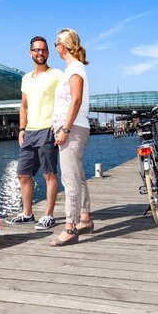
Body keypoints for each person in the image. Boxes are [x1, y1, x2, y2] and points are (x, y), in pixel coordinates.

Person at [5, 36, 64, 230]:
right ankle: (27, 214)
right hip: (29, 132)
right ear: (30, 53)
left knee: (49, 174)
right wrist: (21, 128)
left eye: (44, 50)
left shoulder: (56, 74)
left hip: (48, 129)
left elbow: (67, 99)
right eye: (36, 50)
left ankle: (48, 215)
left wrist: (60, 123)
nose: (40, 53)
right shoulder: (25, 78)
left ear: (48, 53)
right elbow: (24, 106)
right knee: (22, 174)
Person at [49, 28, 92, 247]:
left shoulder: (74, 68)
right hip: (74, 126)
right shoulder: (73, 68)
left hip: (73, 128)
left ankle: (70, 227)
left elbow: (75, 100)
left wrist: (64, 129)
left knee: (70, 179)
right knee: (79, 174)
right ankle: (85, 218)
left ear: (62, 46)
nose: (55, 47)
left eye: (56, 43)